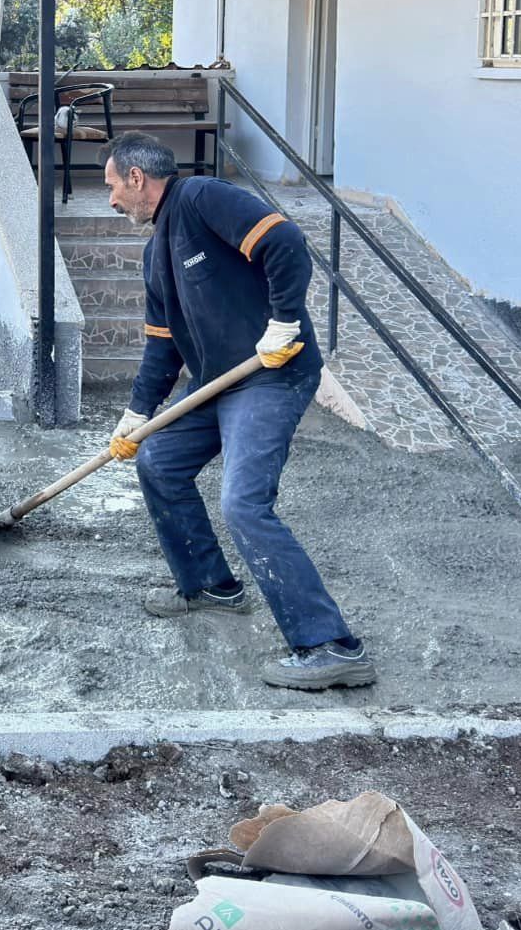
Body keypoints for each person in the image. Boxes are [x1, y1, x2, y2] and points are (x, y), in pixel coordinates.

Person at [102, 131, 375, 691]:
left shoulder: (202, 199)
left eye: (111, 186)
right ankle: (209, 586)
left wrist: (284, 320)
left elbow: (285, 241)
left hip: (270, 375)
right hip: (213, 384)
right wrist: (136, 413)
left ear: (137, 178)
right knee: (158, 462)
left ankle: (331, 646)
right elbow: (162, 345)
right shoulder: (156, 256)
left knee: (244, 504)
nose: (110, 200)